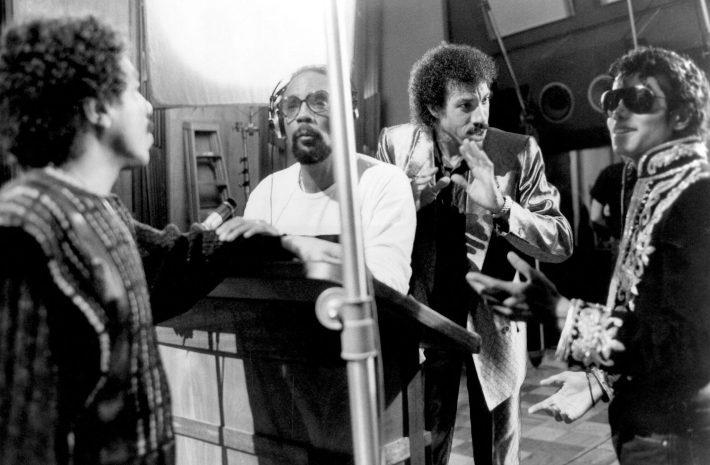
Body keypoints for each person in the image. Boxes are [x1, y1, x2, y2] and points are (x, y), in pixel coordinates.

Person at [0, 16, 291, 465]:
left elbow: (168, 266)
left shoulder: (101, 210)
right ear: (97, 108)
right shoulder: (25, 228)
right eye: (134, 90)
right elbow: (19, 431)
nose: (148, 106)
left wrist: (255, 239)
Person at [467, 46, 710, 464]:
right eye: (612, 100)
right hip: (652, 424)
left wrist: (564, 315)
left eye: (638, 99)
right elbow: (650, 318)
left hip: (680, 434)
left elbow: (694, 347)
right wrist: (600, 381)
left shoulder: (699, 193)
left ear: (682, 115)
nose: (618, 111)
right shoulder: (652, 181)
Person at [375, 43, 573, 465]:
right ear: (433, 108)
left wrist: (503, 209)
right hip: (425, 320)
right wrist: (408, 201)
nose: (481, 115)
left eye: (485, 100)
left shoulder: (518, 151)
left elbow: (560, 241)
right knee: (424, 449)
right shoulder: (395, 146)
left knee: (498, 454)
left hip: (493, 326)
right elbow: (373, 233)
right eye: (466, 105)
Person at [217, 65, 417, 294]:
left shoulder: (384, 182)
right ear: (280, 124)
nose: (302, 115)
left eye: (320, 102)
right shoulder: (266, 192)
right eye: (292, 105)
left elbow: (388, 286)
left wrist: (288, 243)